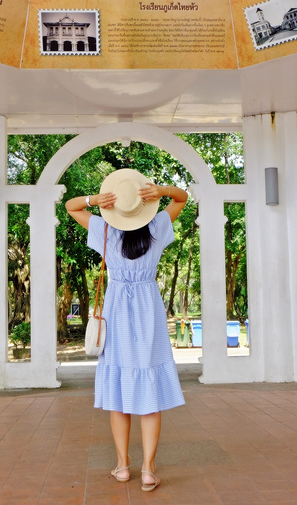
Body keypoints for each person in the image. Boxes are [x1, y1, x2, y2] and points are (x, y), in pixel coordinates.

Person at [66, 168, 188, 492]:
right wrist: (160, 190)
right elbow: (183, 197)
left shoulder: (104, 227)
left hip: (117, 306)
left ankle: (122, 466)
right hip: (149, 306)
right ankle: (148, 470)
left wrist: (94, 199)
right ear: (142, 204)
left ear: (115, 206)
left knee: (119, 392)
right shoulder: (159, 224)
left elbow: (71, 206)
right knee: (150, 391)